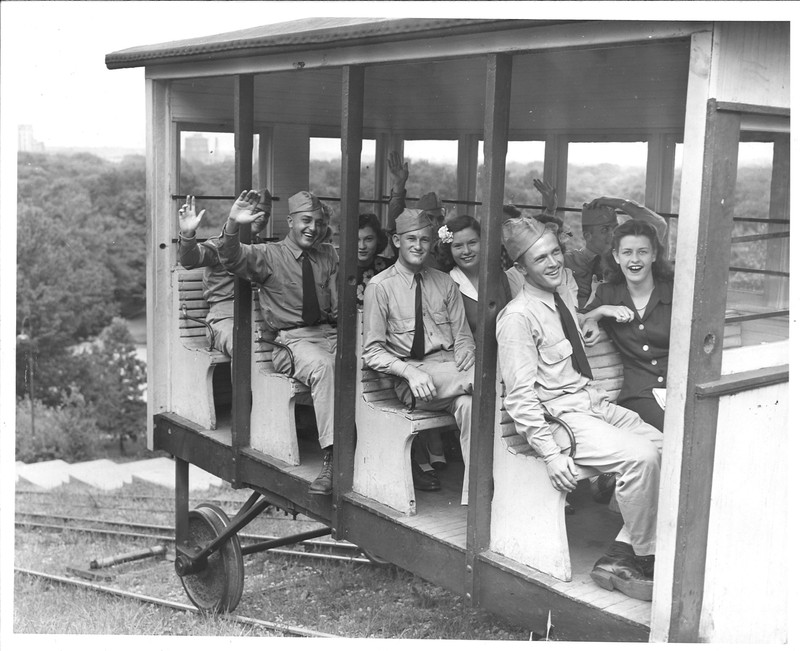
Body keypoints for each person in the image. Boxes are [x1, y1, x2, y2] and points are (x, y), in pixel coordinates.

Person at [496, 214, 663, 601]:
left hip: (592, 404)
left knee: (668, 448)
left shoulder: (562, 298)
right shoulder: (518, 318)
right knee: (641, 458)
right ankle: (643, 556)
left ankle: (621, 552)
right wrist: (552, 456)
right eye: (541, 259)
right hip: (562, 420)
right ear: (521, 268)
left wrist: (591, 318)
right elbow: (520, 397)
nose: (553, 262)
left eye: (555, 252)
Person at [218, 189, 338, 496]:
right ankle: (334, 460)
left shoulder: (328, 255)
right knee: (324, 367)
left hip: (331, 334)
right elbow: (230, 257)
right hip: (291, 343)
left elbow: (337, 302)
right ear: (290, 221)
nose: (313, 227)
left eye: (319, 222)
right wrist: (233, 222)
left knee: (367, 361)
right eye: (306, 220)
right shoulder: (270, 255)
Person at [363, 208, 476, 503]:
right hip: (415, 382)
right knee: (486, 380)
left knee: (470, 406)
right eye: (411, 239)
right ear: (397, 241)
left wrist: (466, 348)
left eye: (425, 239)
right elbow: (372, 352)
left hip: (452, 374)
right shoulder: (380, 287)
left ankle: (475, 495)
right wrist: (409, 372)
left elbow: (463, 334)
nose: (418, 246)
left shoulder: (444, 283)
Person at [581, 219, 673, 431]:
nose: (634, 259)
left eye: (642, 252)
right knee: (675, 431)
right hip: (640, 396)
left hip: (679, 390)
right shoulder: (608, 294)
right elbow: (575, 317)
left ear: (654, 255)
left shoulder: (673, 290)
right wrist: (600, 312)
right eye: (627, 252)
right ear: (616, 256)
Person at [177, 191, 271, 356]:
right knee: (243, 347)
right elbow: (190, 260)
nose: (262, 218)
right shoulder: (219, 245)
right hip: (225, 319)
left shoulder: (263, 249)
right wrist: (187, 235)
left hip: (259, 317)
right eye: (257, 211)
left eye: (266, 214)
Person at [565, 196, 668, 309]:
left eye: (615, 228)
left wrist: (621, 203)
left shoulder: (626, 260)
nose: (612, 234)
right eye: (604, 230)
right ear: (587, 236)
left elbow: (659, 225)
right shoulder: (570, 260)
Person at [356, 212, 396, 306]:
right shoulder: (339, 269)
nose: (362, 246)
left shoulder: (390, 268)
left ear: (378, 239)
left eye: (368, 239)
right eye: (356, 239)